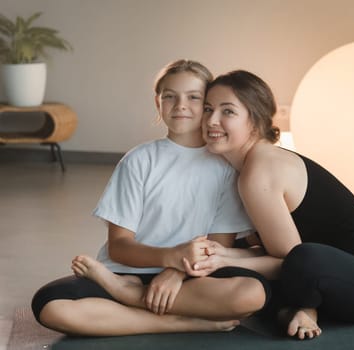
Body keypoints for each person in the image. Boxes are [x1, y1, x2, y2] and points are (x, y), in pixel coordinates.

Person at [30, 60, 270, 336]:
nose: (180, 105)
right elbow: (119, 246)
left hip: (192, 278)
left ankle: (131, 307)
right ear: (158, 104)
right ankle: (180, 322)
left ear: (208, 105)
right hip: (125, 272)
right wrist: (170, 257)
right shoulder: (139, 160)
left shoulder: (225, 167)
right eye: (170, 96)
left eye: (194, 97)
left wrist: (177, 271)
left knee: (252, 294)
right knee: (52, 307)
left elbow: (217, 247)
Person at [191, 70, 354, 340]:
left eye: (228, 112)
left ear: (255, 122)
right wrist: (225, 256)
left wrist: (223, 258)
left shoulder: (259, 171)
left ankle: (301, 308)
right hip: (322, 271)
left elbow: (290, 261)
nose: (212, 120)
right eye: (208, 109)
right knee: (231, 261)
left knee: (291, 261)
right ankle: (296, 310)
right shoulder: (242, 166)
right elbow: (272, 253)